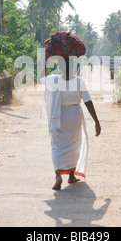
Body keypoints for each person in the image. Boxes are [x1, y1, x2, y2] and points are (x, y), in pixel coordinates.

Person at [41, 57, 101, 190]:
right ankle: (71, 175)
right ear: (73, 67)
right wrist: (96, 121)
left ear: (59, 67)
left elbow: (40, 78)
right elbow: (87, 101)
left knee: (56, 145)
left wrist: (47, 61)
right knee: (74, 144)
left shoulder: (54, 80)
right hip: (74, 115)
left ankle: (58, 175)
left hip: (58, 115)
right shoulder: (79, 81)